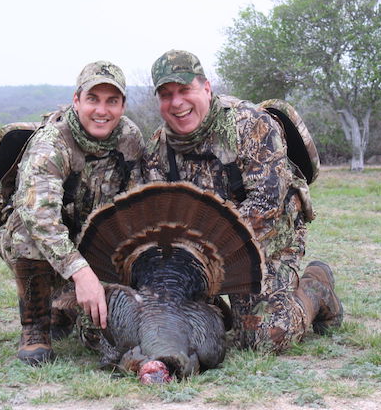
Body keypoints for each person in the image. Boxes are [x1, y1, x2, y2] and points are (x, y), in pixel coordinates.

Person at [141, 49, 343, 352]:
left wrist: (207, 259)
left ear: (206, 88)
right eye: (166, 94)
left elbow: (266, 205)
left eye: (185, 90)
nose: (177, 103)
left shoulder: (251, 125)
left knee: (263, 338)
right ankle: (223, 308)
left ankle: (316, 288)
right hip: (202, 252)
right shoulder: (158, 145)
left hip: (270, 238)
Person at [0, 61, 144, 365]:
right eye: (93, 99)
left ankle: (64, 306)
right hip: (49, 239)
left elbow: (137, 203)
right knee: (25, 230)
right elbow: (40, 217)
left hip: (97, 237)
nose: (102, 110)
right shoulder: (52, 143)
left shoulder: (130, 138)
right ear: (77, 100)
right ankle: (35, 327)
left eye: (112, 101)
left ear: (123, 105)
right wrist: (82, 272)